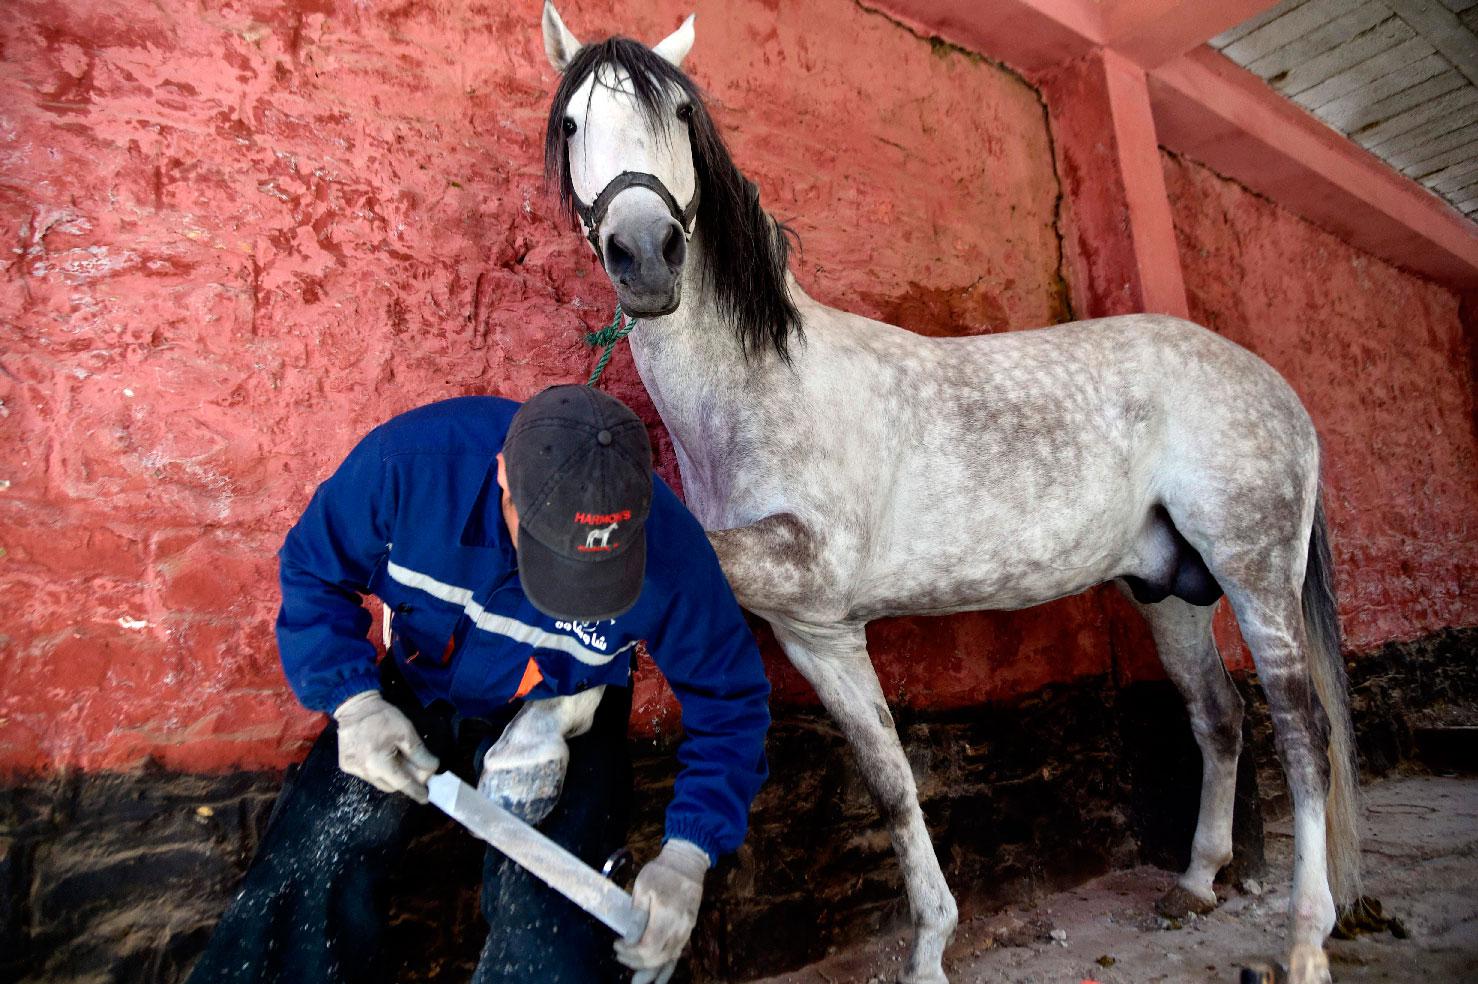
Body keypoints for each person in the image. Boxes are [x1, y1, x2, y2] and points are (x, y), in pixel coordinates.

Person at [187, 385, 771, 984]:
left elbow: (730, 702)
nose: (572, 588)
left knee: (550, 935)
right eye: (550, 555)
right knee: (309, 871)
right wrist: (356, 704)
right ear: (503, 481)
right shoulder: (409, 468)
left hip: (568, 711)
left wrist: (687, 856)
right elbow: (313, 569)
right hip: (418, 685)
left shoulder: (674, 557)